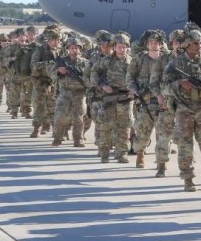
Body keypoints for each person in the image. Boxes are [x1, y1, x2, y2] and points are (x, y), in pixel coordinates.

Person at [162, 30, 201, 191]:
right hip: (184, 110)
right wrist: (179, 84)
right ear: (187, 45)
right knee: (185, 146)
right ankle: (187, 179)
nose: (199, 46)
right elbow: (164, 87)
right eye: (195, 43)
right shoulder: (175, 64)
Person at [127, 30, 168, 169]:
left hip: (163, 101)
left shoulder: (167, 59)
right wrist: (135, 91)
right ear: (147, 44)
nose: (154, 44)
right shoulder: (139, 59)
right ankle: (140, 153)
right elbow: (130, 77)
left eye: (156, 42)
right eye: (151, 42)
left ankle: (161, 161)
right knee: (143, 131)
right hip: (145, 101)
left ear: (161, 44)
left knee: (163, 133)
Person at [92, 32, 133, 163]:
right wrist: (102, 85)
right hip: (109, 98)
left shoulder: (132, 62)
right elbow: (94, 73)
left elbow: (141, 78)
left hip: (126, 99)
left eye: (124, 46)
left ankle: (122, 154)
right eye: (119, 46)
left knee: (124, 127)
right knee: (106, 126)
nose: (122, 49)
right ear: (114, 47)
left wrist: (135, 91)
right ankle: (104, 153)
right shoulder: (106, 61)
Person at [150, 29, 183, 177]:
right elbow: (153, 82)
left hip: (186, 105)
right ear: (171, 44)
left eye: (181, 42)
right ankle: (161, 166)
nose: (179, 45)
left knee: (185, 139)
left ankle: (186, 169)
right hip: (167, 104)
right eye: (176, 42)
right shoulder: (162, 60)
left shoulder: (190, 59)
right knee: (163, 136)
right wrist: (159, 97)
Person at [50, 37, 88, 147]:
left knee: (78, 117)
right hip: (65, 93)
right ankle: (57, 138)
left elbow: (89, 77)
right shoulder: (62, 61)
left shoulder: (85, 63)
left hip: (79, 94)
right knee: (60, 115)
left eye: (76, 48)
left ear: (80, 49)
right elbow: (52, 74)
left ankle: (78, 140)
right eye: (72, 48)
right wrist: (59, 72)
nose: (74, 50)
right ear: (68, 49)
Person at [30, 25, 62, 137]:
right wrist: (46, 64)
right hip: (41, 83)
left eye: (57, 40)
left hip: (54, 84)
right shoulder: (40, 50)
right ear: (48, 40)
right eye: (53, 40)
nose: (55, 42)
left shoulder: (60, 51)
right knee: (39, 106)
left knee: (53, 107)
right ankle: (36, 129)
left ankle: (55, 131)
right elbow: (33, 65)